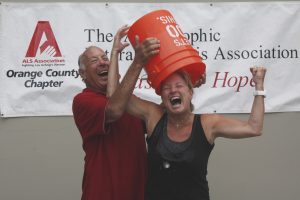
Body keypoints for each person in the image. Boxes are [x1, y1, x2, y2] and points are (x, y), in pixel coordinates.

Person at [113, 36, 267, 200]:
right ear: (162, 97)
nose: (173, 90)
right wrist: (132, 60)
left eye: (179, 86)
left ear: (190, 92)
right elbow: (116, 96)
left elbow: (254, 128)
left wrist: (259, 85)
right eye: (167, 88)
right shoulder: (154, 116)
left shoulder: (208, 124)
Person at [72, 25, 154, 200]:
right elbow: (115, 109)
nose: (102, 62)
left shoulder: (130, 100)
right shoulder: (83, 101)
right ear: (82, 74)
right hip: (103, 193)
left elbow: (160, 119)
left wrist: (187, 82)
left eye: (104, 57)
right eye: (94, 60)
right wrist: (138, 61)